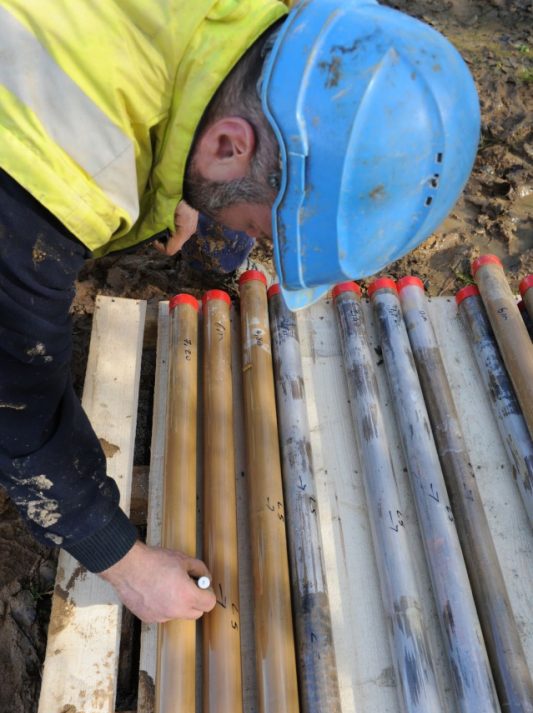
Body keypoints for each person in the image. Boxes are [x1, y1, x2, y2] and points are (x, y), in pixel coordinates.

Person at [0, 0, 480, 622]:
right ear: (229, 145)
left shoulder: (250, 29)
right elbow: (17, 403)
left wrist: (182, 172)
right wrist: (127, 563)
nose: (252, 244)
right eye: (260, 226)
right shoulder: (53, 181)